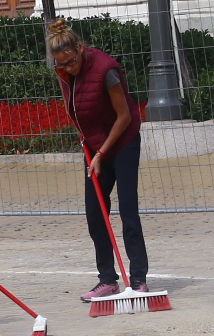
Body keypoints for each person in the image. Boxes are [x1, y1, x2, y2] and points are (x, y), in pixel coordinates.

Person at [50, 18, 148, 302]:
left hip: (123, 142)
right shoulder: (63, 72)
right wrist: (86, 142)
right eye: (61, 64)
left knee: (128, 211)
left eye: (70, 62)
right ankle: (108, 280)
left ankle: (139, 279)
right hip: (94, 147)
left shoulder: (107, 70)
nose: (67, 68)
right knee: (96, 214)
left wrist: (102, 153)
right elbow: (74, 110)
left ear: (79, 49)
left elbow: (124, 116)